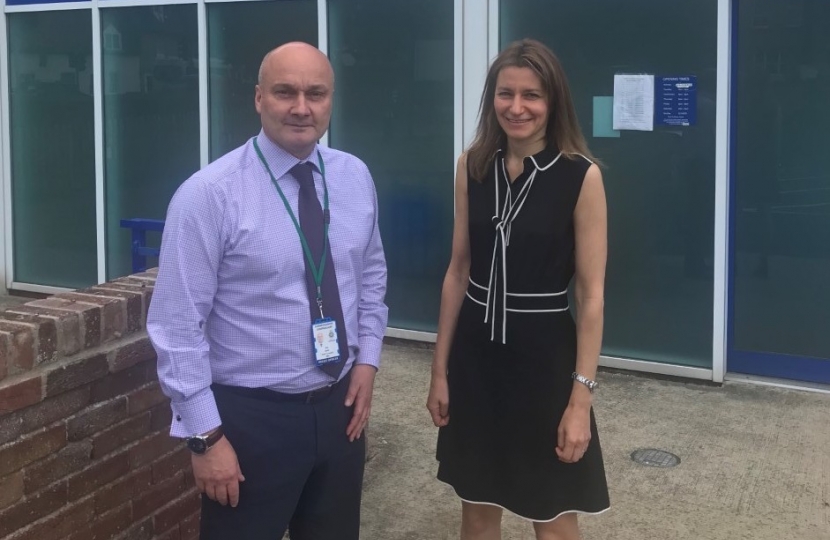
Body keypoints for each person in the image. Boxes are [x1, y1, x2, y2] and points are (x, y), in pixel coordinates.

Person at [147, 42, 388, 540]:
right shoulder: (208, 195)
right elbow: (176, 326)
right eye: (285, 92)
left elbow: (370, 275)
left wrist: (367, 358)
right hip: (251, 421)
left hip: (341, 410)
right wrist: (205, 438)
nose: (301, 107)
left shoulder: (354, 177)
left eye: (316, 93)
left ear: (331, 100)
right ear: (259, 98)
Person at [427, 39, 610, 540]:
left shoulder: (580, 176)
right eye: (505, 94)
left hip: (545, 362)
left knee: (551, 516)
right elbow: (457, 271)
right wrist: (439, 370)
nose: (517, 107)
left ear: (554, 102)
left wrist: (580, 401)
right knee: (478, 506)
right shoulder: (472, 166)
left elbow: (591, 297)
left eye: (532, 94)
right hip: (476, 360)